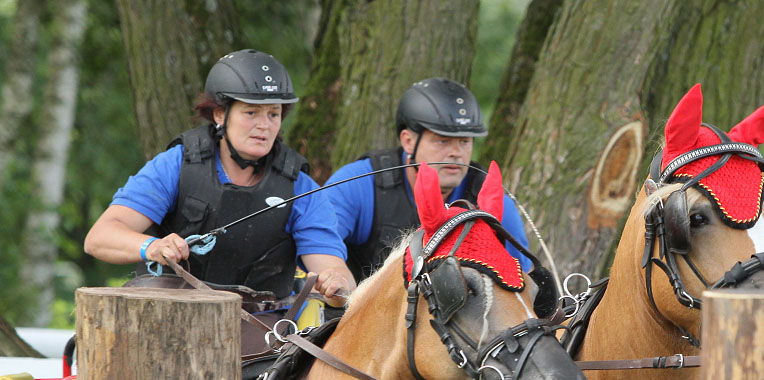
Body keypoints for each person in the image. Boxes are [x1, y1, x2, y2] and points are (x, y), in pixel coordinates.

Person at [84, 49, 355, 305]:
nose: (265, 125)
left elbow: (333, 270)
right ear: (220, 114)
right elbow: (100, 238)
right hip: (168, 318)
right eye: (251, 113)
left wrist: (336, 282)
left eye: (274, 114)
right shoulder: (175, 165)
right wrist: (152, 247)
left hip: (263, 335)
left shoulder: (301, 186)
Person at [323, 77, 532, 282]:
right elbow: (317, 247)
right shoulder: (358, 183)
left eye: (464, 141)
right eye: (442, 141)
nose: (456, 153)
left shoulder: (488, 196)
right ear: (408, 141)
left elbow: (522, 275)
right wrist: (336, 277)